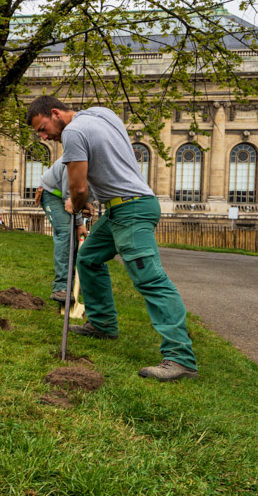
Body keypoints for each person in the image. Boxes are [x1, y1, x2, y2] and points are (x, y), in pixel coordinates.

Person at [27, 95, 199, 382]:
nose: (44, 136)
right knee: (89, 257)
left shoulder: (73, 132)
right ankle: (103, 323)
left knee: (151, 279)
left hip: (131, 210)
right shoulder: (101, 113)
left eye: (42, 128)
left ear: (55, 113)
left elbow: (78, 188)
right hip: (121, 208)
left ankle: (180, 358)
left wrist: (78, 208)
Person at [33, 157, 82, 303]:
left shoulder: (99, 160)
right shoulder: (76, 157)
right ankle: (61, 287)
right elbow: (70, 193)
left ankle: (76, 283)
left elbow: (89, 186)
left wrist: (89, 203)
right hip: (51, 193)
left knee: (76, 238)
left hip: (68, 194)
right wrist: (80, 222)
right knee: (66, 233)